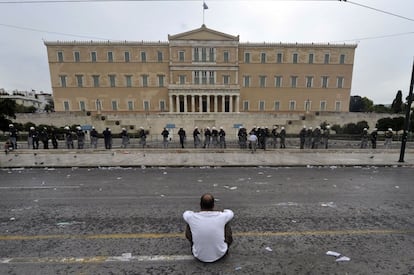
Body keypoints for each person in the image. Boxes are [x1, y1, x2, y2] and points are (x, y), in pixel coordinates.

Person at [183, 193, 234, 263]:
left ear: (200, 204)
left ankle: (195, 245)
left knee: (189, 223)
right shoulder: (221, 216)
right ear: (213, 205)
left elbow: (186, 213)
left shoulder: (192, 217)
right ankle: (225, 247)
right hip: (220, 253)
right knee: (226, 222)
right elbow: (230, 212)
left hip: (198, 255)